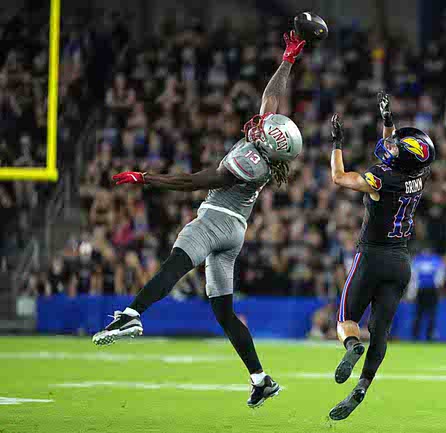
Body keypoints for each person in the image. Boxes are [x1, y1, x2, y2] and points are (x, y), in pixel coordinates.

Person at [91, 31, 307, 408]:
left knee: (177, 261)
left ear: (269, 145)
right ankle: (261, 379)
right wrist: (287, 59)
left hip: (216, 219)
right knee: (224, 311)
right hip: (235, 230)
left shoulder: (249, 163)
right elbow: (271, 99)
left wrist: (146, 178)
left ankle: (131, 315)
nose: (258, 125)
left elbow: (192, 182)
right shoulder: (266, 154)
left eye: (264, 131)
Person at [327, 92, 435, 420]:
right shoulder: (418, 176)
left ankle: (351, 347)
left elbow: (339, 177)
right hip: (401, 261)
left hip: (371, 255)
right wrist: (388, 122)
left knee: (345, 321)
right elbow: (398, 152)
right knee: (382, 331)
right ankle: (362, 386)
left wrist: (337, 143)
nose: (390, 145)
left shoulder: (381, 179)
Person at [410, 249, 445, 341]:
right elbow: (440, 276)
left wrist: (412, 293)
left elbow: (413, 277)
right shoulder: (436, 260)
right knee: (429, 314)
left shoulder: (417, 260)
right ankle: (427, 336)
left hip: (423, 290)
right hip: (430, 290)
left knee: (420, 314)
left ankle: (416, 336)